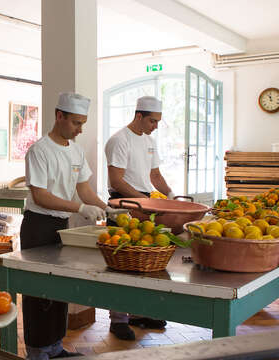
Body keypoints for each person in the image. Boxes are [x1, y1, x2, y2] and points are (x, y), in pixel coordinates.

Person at [21, 92, 117, 360]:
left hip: (62, 227)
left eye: (83, 123)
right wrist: (80, 208)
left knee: (58, 288)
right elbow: (40, 195)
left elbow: (83, 188)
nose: (80, 129)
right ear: (59, 116)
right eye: (76, 123)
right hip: (38, 226)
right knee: (39, 291)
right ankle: (37, 351)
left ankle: (54, 346)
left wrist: (107, 208)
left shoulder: (75, 150)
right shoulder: (39, 150)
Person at [104, 96, 174, 340]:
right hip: (123, 203)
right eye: (152, 121)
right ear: (138, 117)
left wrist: (171, 195)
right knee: (121, 266)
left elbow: (154, 175)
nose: (155, 126)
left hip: (144, 203)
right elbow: (117, 181)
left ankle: (140, 312)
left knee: (144, 264)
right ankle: (119, 319)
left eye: (158, 122)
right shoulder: (118, 140)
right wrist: (142, 203)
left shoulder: (150, 141)